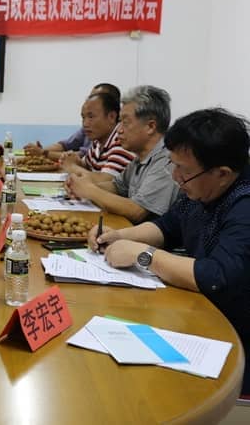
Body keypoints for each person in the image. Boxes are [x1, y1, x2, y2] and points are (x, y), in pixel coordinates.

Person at [90, 108, 250, 395]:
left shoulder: (244, 206)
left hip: (232, 344)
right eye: (172, 165)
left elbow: (217, 276)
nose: (175, 177)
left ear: (222, 174)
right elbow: (168, 226)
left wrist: (143, 255)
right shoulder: (201, 189)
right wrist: (119, 236)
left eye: (183, 171)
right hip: (199, 318)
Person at [66, 86, 179, 223]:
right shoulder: (140, 158)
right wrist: (79, 187)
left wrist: (90, 191)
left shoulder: (167, 161)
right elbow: (117, 186)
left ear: (150, 126)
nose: (119, 130)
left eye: (125, 123)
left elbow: (136, 211)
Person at [24, 83, 120, 161]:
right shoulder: (95, 140)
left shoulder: (118, 142)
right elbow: (66, 145)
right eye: (83, 117)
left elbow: (80, 157)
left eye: (96, 97)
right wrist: (39, 151)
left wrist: (43, 153)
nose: (85, 123)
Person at [62, 88, 135, 177]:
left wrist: (72, 166)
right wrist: (74, 160)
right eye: (83, 117)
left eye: (91, 117)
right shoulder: (98, 142)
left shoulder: (122, 141)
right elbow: (86, 166)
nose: (85, 124)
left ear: (112, 117)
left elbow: (105, 180)